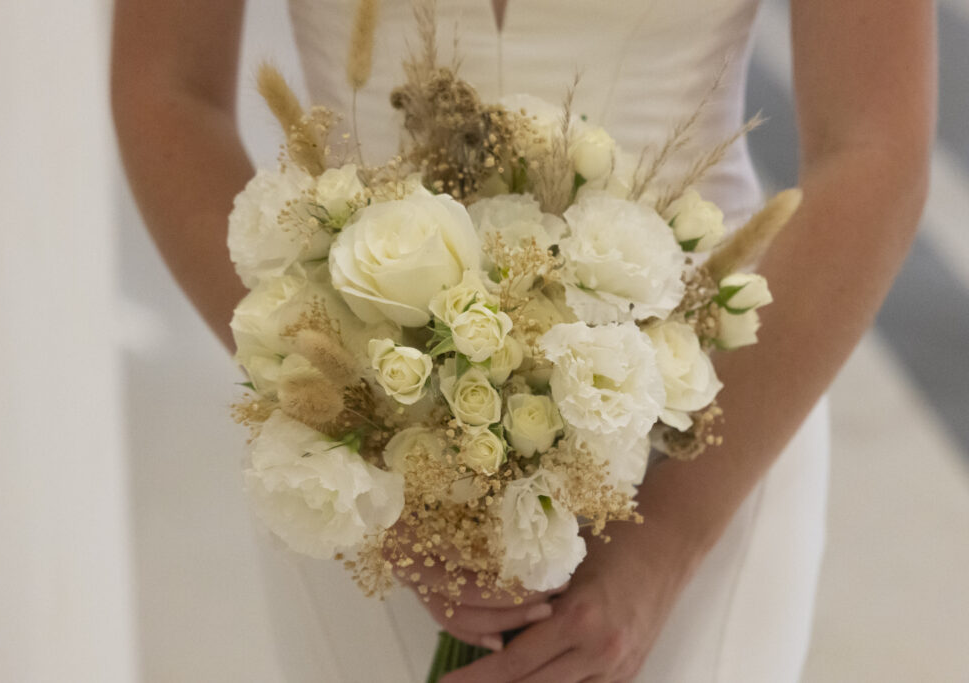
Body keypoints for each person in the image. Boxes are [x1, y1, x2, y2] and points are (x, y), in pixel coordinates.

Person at [111, 0, 935, 680]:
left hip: (709, 423)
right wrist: (341, 431)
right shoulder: (347, 436)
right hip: (357, 421)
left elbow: (873, 143)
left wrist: (665, 547)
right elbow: (167, 87)